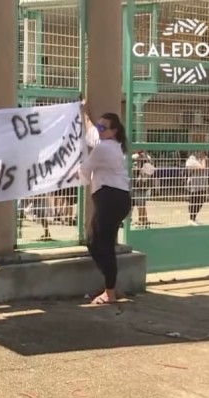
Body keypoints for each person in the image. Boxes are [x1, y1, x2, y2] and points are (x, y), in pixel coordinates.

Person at [78, 104, 131, 305]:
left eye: (103, 128)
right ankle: (112, 286)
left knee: (101, 243)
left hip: (110, 198)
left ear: (113, 131)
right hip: (118, 199)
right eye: (99, 127)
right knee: (97, 241)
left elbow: (84, 169)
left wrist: (64, 174)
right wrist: (85, 113)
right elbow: (92, 133)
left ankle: (110, 292)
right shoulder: (112, 144)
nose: (99, 130)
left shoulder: (103, 149)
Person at [185, 151, 209, 225]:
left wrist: (204, 160)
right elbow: (202, 168)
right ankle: (191, 219)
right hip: (194, 185)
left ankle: (193, 218)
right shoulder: (191, 160)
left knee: (201, 200)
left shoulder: (199, 160)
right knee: (194, 201)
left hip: (202, 185)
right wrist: (204, 159)